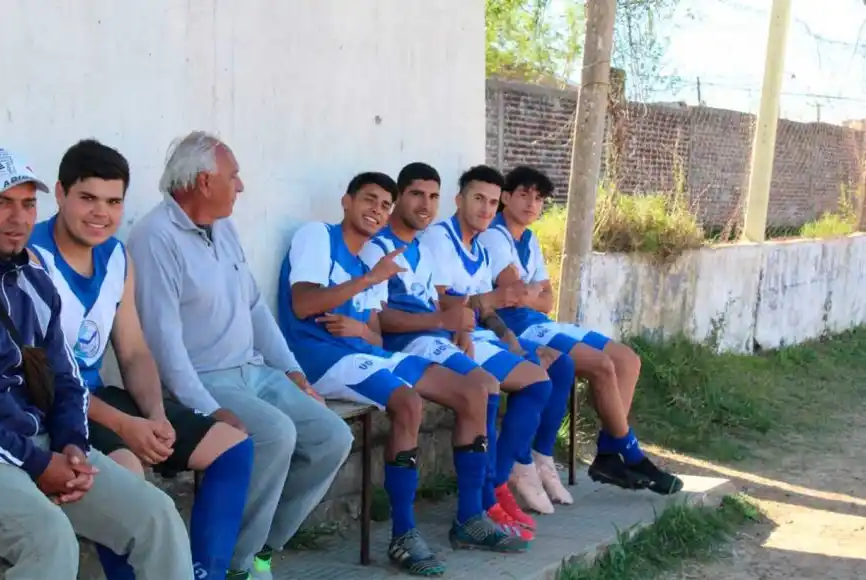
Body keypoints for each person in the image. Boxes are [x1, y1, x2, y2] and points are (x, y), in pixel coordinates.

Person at [126, 131, 354, 579]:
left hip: (254, 370)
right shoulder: (155, 237)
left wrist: (291, 370)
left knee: (332, 437)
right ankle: (235, 566)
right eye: (234, 176)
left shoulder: (224, 228)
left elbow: (255, 308)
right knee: (275, 435)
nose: (242, 186)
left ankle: (259, 551)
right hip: (206, 377)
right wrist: (209, 409)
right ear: (204, 181)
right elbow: (163, 344)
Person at [278, 171, 529, 577]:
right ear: (346, 201)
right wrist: (368, 281)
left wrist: (362, 325)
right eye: (368, 200)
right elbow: (304, 304)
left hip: (360, 353)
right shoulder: (317, 237)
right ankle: (404, 533)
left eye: (383, 205)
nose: (376, 211)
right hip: (319, 358)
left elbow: (376, 338)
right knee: (408, 402)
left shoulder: (374, 262)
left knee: (474, 393)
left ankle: (469, 519)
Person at [28, 139, 255, 580]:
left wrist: (154, 415)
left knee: (233, 446)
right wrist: (126, 426)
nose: (101, 213)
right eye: (87, 198)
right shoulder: (33, 260)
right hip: (55, 409)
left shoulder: (116, 256)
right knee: (128, 472)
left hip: (103, 398)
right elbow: (47, 380)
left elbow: (132, 350)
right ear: (59, 194)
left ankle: (203, 573)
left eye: (113, 202)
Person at [0, 147, 195, 579]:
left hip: (42, 441)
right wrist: (38, 463)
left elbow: (65, 379)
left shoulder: (33, 281)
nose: (18, 219)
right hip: (7, 453)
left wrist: (72, 445)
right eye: (1, 204)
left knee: (156, 517)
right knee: (49, 540)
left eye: (28, 204)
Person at [359, 162, 576, 531]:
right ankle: (488, 497)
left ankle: (492, 492)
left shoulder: (420, 250)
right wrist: (459, 317)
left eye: (431, 197)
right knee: (495, 386)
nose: (425, 205)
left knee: (548, 370)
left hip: (446, 336)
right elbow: (388, 320)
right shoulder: (384, 248)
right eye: (415, 195)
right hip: (410, 345)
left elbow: (447, 305)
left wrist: (480, 326)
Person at [477, 165, 683, 496]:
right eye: (524, 195)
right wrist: (530, 292)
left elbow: (546, 300)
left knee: (627, 360)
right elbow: (512, 290)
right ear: (505, 197)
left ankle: (606, 454)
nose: (532, 203)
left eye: (539, 198)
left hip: (540, 321)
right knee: (601, 366)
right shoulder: (494, 235)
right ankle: (630, 453)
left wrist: (529, 293)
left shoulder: (529, 239)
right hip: (515, 328)